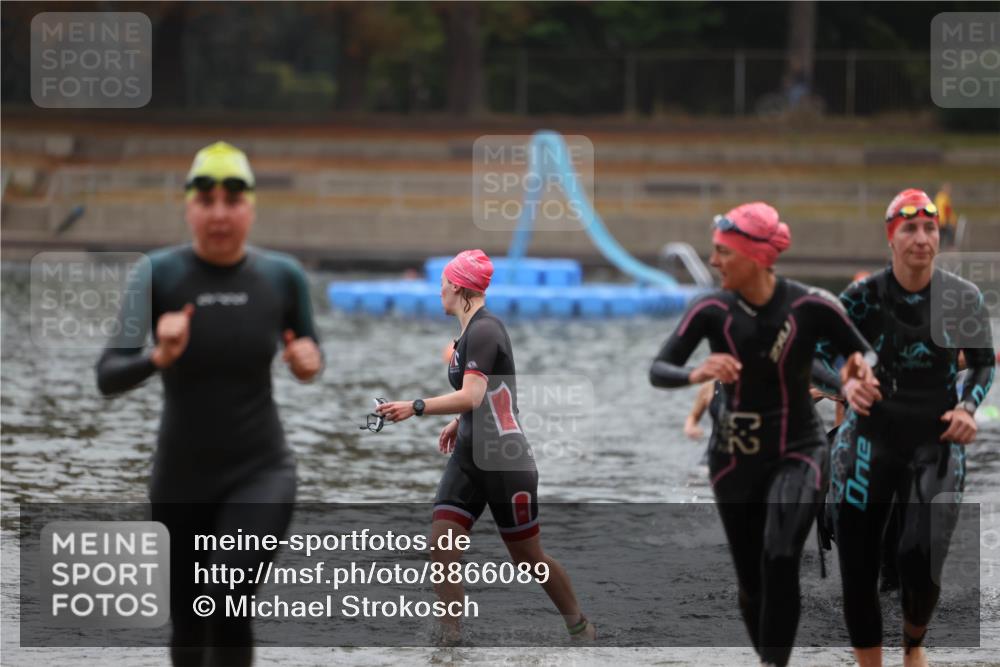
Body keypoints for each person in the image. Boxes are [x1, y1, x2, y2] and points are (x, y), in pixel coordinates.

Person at [96, 141, 323, 666]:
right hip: (180, 479)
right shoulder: (157, 274)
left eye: (232, 200)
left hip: (261, 470)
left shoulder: (283, 276)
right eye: (206, 200)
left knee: (226, 596)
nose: (219, 214)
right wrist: (158, 356)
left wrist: (308, 362)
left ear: (251, 208)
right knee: (190, 623)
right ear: (188, 207)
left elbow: (309, 350)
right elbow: (108, 375)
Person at [649, 202, 878, 667]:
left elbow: (864, 354)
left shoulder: (810, 304)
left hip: (799, 449)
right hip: (734, 457)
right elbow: (659, 368)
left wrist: (855, 377)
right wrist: (696, 373)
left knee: (780, 557)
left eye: (722, 252)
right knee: (753, 584)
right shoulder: (710, 309)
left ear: (756, 256)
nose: (713, 261)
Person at [376, 249, 596, 643]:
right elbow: (491, 395)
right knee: (442, 547)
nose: (439, 290)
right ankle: (450, 641)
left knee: (528, 558)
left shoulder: (485, 331)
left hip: (503, 461)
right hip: (467, 458)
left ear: (459, 287)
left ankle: (580, 627)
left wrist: (416, 406)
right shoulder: (468, 333)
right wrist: (459, 421)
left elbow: (474, 395)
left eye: (444, 283)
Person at [817, 188, 995, 667]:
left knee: (921, 558)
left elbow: (983, 362)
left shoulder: (963, 297)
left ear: (939, 236)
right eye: (909, 228)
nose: (921, 238)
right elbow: (814, 356)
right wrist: (844, 385)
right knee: (859, 571)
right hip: (867, 443)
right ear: (890, 237)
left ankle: (913, 644)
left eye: (929, 228)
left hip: (935, 442)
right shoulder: (862, 298)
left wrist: (968, 408)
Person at [934, 183, 957, 249]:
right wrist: (952, 221)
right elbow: (947, 210)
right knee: (949, 233)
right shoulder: (945, 198)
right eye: (948, 189)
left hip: (939, 220)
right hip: (944, 221)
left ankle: (939, 248)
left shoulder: (938, 197)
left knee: (942, 235)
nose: (949, 191)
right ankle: (950, 247)